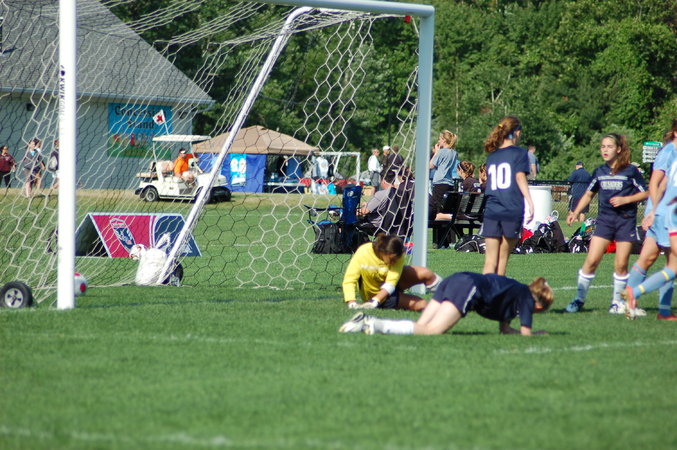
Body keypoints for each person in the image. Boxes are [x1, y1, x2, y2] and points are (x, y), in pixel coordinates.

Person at [565, 133, 648, 314]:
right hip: (604, 222)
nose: (605, 150)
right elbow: (588, 194)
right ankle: (578, 299)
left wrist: (626, 200)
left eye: (609, 146)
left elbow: (646, 192)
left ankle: (616, 303)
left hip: (625, 222)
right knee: (591, 260)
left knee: (621, 264)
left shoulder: (630, 171)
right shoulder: (599, 172)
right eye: (603, 146)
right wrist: (575, 212)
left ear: (618, 149)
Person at [339, 272, 553, 336]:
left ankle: (366, 322)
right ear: (540, 306)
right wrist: (537, 334)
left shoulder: (516, 294)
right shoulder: (526, 297)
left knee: (421, 328)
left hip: (455, 279)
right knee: (433, 331)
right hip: (468, 286)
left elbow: (505, 330)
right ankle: (372, 323)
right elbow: (526, 334)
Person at [624, 119, 677, 320]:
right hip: (666, 213)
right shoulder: (669, 152)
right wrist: (653, 211)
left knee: (649, 258)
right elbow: (655, 184)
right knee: (672, 264)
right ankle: (635, 295)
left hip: (662, 212)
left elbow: (664, 185)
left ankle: (659, 309)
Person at [480, 116, 534, 276]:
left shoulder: (492, 156)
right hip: (511, 209)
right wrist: (530, 202)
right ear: (517, 132)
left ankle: (485, 291)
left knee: (490, 262)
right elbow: (520, 177)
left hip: (492, 209)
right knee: (502, 262)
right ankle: (498, 291)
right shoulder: (519, 153)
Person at [342, 233, 441, 312]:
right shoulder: (364, 251)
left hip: (389, 288)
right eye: (392, 259)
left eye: (396, 259)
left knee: (425, 273)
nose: (394, 262)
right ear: (384, 252)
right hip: (380, 296)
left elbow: (391, 282)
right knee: (423, 305)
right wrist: (352, 302)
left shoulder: (398, 256)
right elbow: (350, 279)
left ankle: (446, 298)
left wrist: (376, 300)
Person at [428, 130, 459, 220]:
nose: (438, 141)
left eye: (440, 139)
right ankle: (450, 219)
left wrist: (436, 152)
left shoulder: (442, 152)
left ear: (444, 140)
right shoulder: (454, 153)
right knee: (445, 209)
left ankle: (453, 217)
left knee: (435, 211)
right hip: (449, 183)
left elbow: (430, 165)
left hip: (440, 183)